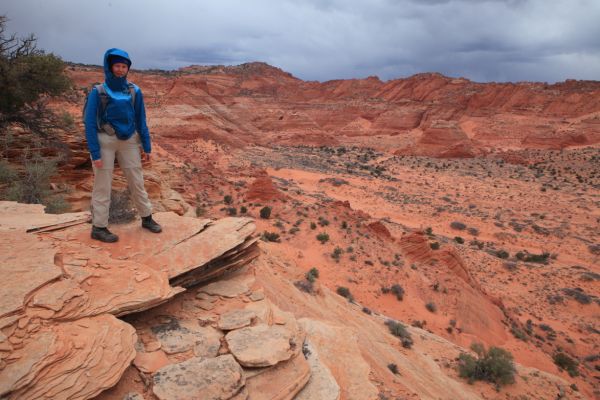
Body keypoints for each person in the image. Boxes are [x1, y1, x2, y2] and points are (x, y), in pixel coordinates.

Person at [84, 48, 162, 243]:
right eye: (117, 66)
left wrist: (147, 146)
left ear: (128, 68)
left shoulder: (134, 91)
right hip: (105, 141)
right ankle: (99, 227)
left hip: (129, 141)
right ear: (109, 67)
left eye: (124, 66)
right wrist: (95, 152)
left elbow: (140, 119)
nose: (120, 69)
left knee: (137, 180)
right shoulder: (98, 92)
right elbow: (90, 123)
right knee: (102, 185)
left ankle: (147, 218)